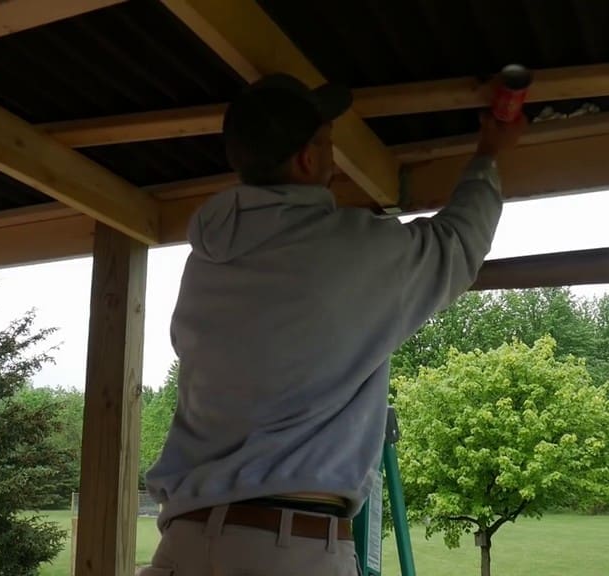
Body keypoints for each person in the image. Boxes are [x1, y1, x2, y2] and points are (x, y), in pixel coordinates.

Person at [141, 73, 525, 575]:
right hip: (288, 550)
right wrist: (488, 155)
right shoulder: (351, 249)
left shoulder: (207, 261)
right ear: (307, 159)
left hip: (184, 545)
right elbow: (457, 243)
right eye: (327, 142)